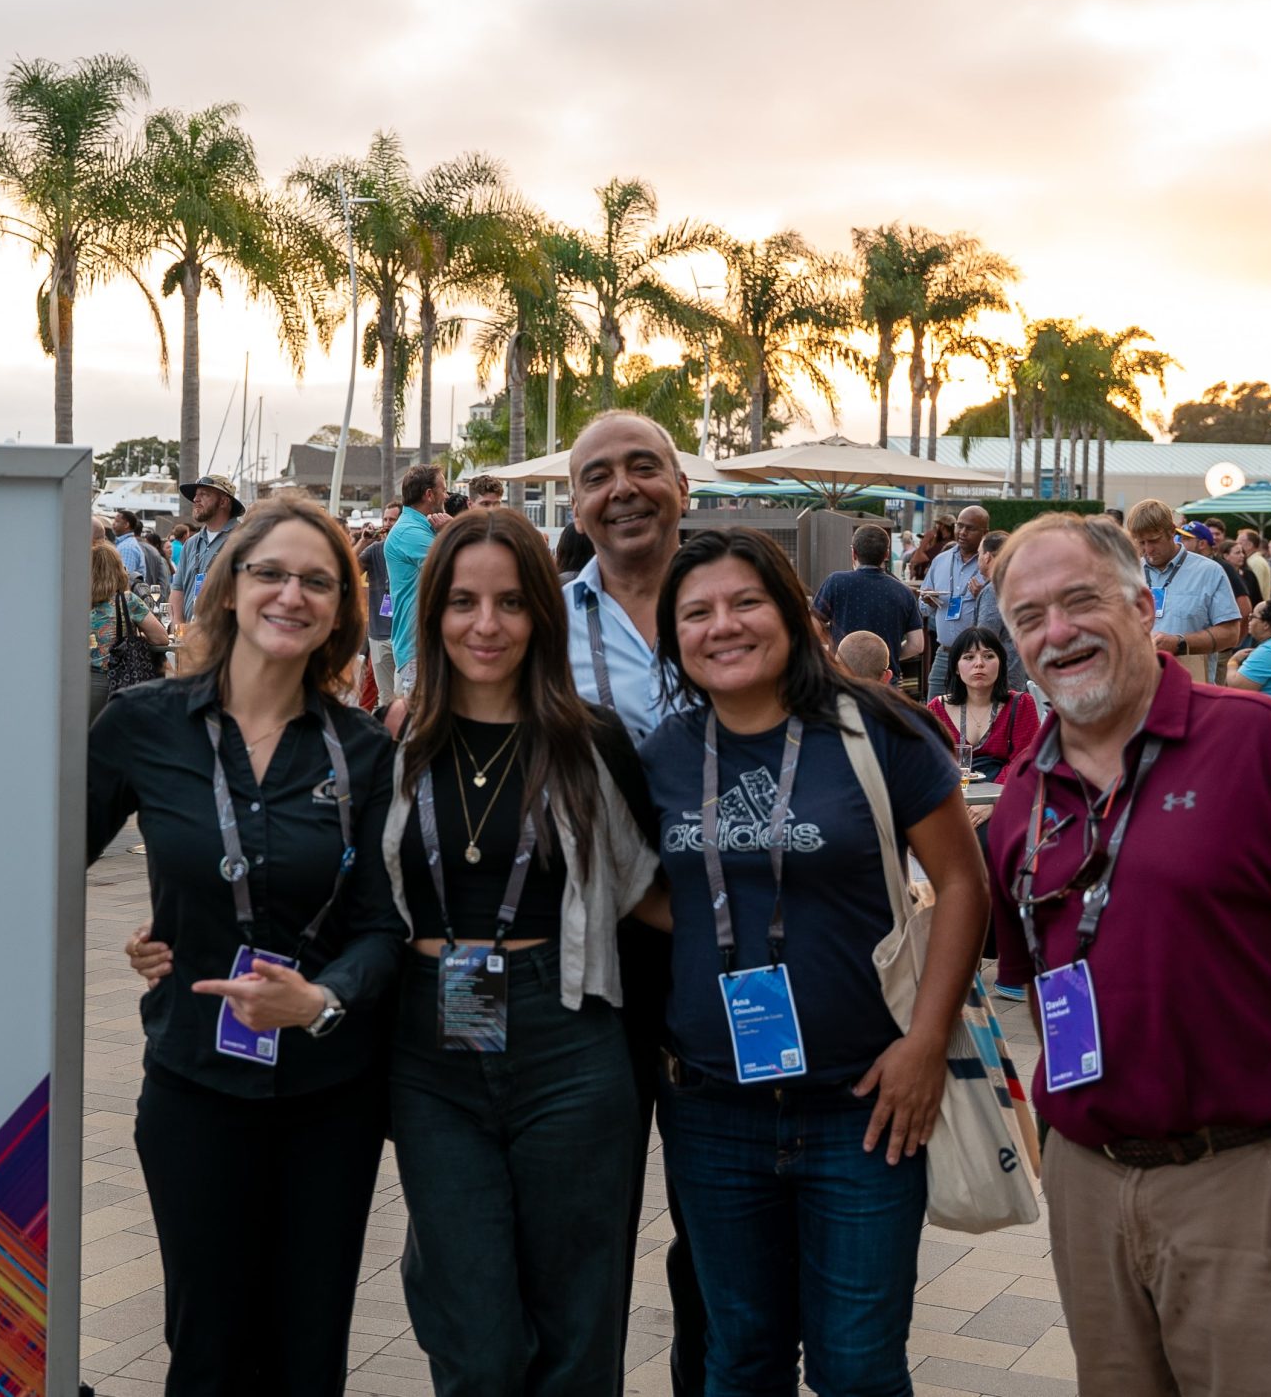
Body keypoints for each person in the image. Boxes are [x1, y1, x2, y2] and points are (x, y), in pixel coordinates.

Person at [985, 513, 1271, 1394]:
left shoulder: (1259, 742)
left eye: (1079, 602)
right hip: (1088, 1185)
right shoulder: (1023, 792)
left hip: (1246, 1180)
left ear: (1144, 608)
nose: (1055, 633)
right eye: (1030, 617)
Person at [641, 528, 986, 1396]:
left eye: (746, 602)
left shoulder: (881, 730)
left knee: (859, 1368)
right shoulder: (662, 755)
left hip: (863, 1106)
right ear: (674, 635)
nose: (724, 625)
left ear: (797, 614)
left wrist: (926, 1044)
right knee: (741, 1360)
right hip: (713, 1109)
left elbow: (961, 884)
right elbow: (632, 886)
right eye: (698, 612)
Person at [87, 495, 402, 1397]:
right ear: (230, 589)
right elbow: (47, 860)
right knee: (208, 1344)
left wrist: (323, 998)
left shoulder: (363, 751)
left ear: (341, 609)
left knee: (308, 1351)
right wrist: (146, 939)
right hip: (193, 1085)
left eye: (317, 581)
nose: (291, 595)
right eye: (271, 573)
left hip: (329, 1098)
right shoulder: (145, 725)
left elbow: (385, 926)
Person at [374, 508, 659, 1395]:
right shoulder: (393, 742)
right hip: (429, 1049)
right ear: (433, 614)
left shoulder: (588, 741)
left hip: (567, 1037)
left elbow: (649, 898)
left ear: (542, 612)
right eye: (462, 602)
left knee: (578, 1323)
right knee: (473, 1325)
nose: (485, 624)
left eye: (508, 602)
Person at [559, 410, 707, 1393]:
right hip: (592, 969)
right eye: (597, 475)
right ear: (572, 502)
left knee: (717, 1233)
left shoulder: (738, 602)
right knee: (585, 1237)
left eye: (643, 467)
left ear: (680, 487)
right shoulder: (536, 618)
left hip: (725, 958)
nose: (622, 489)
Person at [1126, 501, 1240, 681]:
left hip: (1191, 688)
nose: (1148, 550)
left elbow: (1231, 634)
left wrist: (1180, 643)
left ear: (1172, 531)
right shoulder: (1128, 573)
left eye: (1154, 541)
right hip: (1139, 688)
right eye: (1141, 542)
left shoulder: (1209, 572)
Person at [928, 626, 1041, 786]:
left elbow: (1026, 761)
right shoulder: (937, 708)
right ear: (956, 667)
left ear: (1001, 664)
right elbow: (929, 764)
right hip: (953, 799)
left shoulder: (1021, 704)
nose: (979, 664)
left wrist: (991, 801)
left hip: (1005, 798)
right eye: (969, 657)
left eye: (988, 656)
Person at [811, 526, 923, 673]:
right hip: (885, 682)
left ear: (854, 553)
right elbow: (917, 644)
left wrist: (832, 655)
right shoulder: (904, 592)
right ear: (886, 554)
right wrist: (886, 657)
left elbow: (812, 626)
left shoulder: (836, 582)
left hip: (843, 677)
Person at [87, 539, 169, 721]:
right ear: (118, 570)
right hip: (117, 681)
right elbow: (161, 638)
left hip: (77, 682)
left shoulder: (76, 599)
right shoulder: (128, 601)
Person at [387, 465, 447, 694]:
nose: (447, 495)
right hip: (418, 651)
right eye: (443, 489)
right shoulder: (409, 532)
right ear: (429, 495)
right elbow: (457, 567)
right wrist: (453, 530)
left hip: (424, 648)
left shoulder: (421, 528)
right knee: (423, 726)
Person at [918, 504, 989, 696]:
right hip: (945, 653)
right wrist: (928, 602)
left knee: (972, 717)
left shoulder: (990, 564)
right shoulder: (941, 560)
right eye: (959, 526)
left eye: (970, 528)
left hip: (978, 657)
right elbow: (923, 608)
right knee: (933, 716)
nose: (962, 532)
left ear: (985, 533)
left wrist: (985, 595)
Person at [170, 475, 246, 627]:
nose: (196, 500)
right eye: (196, 495)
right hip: (190, 639)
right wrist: (177, 625)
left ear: (224, 501)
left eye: (204, 494)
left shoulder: (243, 541)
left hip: (225, 640)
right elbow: (178, 589)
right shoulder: (191, 543)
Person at [964, 529, 1028, 691]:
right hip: (1017, 675)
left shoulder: (993, 590)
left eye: (979, 554)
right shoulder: (1020, 584)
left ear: (987, 557)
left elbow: (985, 638)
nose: (978, 558)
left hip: (1001, 680)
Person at [362, 503, 401, 704]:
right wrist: (362, 542)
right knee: (386, 696)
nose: (387, 524)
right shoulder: (375, 550)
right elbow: (348, 569)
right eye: (385, 519)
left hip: (403, 634)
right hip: (378, 634)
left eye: (392, 520)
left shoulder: (407, 548)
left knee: (403, 691)